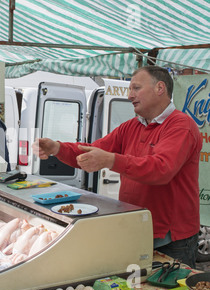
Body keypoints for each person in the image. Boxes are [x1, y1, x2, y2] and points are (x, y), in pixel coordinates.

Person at [33, 65, 202, 268]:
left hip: (173, 239)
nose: (130, 95)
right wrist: (57, 147)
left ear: (160, 88)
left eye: (136, 88)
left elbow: (161, 169)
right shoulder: (132, 126)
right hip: (136, 228)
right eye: (130, 89)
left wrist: (111, 160)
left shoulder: (180, 125)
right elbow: (91, 151)